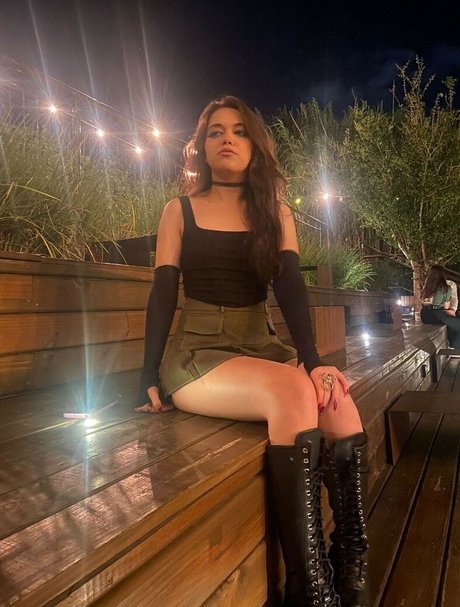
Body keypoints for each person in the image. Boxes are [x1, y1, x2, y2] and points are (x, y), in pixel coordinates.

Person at [136, 96, 369, 607]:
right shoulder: (179, 210)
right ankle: (309, 589)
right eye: (215, 131)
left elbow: (289, 287)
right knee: (293, 392)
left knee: (337, 400)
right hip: (199, 354)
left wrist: (314, 361)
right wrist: (148, 374)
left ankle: (350, 565)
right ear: (201, 147)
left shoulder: (274, 212)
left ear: (255, 146)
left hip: (260, 347)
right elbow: (163, 292)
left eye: (239, 131)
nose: (227, 138)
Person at [421, 265, 460, 348]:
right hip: (437, 314)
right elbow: (446, 307)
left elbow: (423, 301)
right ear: (443, 275)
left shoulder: (427, 286)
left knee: (452, 322)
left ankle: (453, 343)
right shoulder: (447, 288)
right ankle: (456, 345)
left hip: (424, 315)